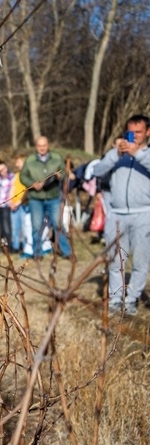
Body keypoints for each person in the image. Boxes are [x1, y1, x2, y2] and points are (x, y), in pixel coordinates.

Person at [92, 114, 150, 316]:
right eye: (130, 132)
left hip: (143, 213)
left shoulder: (148, 155)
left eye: (138, 132)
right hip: (116, 214)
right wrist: (115, 154)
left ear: (148, 132)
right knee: (116, 259)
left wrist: (138, 154)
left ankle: (132, 299)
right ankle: (116, 300)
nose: (133, 136)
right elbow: (97, 171)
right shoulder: (117, 154)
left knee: (141, 261)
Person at [18, 136, 72, 259]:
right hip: (36, 198)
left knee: (58, 225)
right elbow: (23, 177)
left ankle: (67, 252)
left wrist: (60, 176)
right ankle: (37, 252)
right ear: (36, 147)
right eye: (39, 146)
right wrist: (32, 183)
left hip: (53, 197)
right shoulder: (30, 160)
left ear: (48, 145)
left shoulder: (56, 158)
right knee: (36, 226)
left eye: (44, 145)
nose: (42, 148)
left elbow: (64, 172)